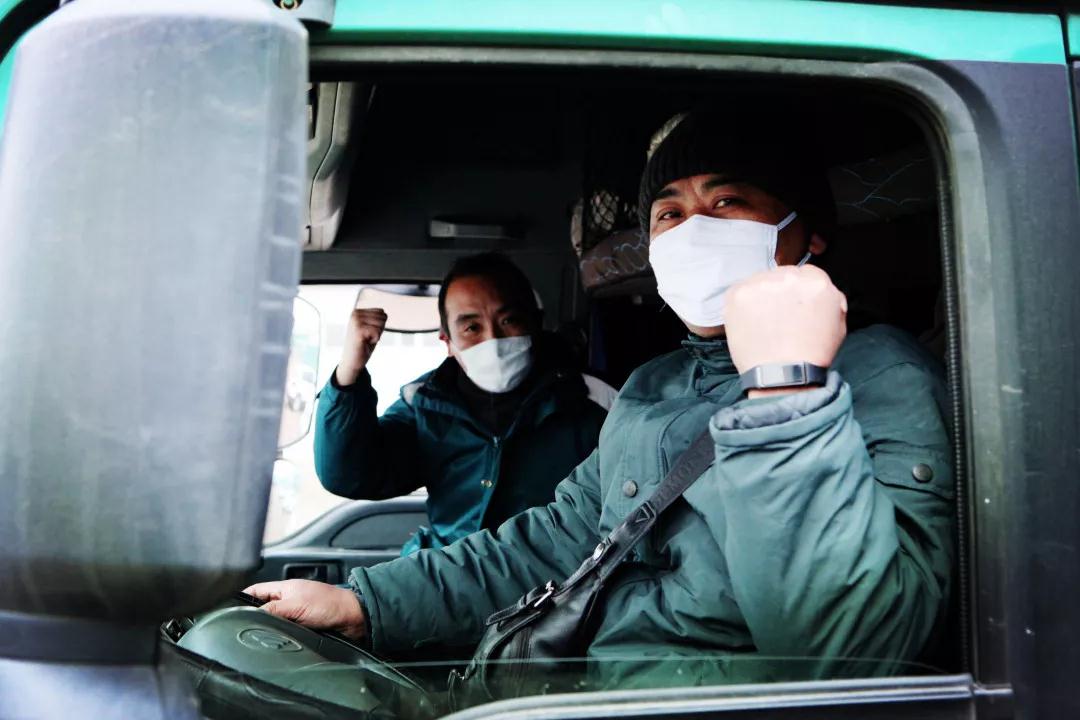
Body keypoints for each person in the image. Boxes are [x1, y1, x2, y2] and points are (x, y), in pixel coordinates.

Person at [248, 111, 955, 687]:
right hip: (592, 684)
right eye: (669, 213)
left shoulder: (882, 374)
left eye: (726, 202)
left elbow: (851, 658)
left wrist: (785, 386)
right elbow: (556, 540)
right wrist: (365, 603)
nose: (694, 229)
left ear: (809, 233)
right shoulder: (653, 385)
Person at [314, 252, 609, 555]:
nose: (492, 339)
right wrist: (349, 372)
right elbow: (349, 476)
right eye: (472, 328)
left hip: (555, 577)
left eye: (509, 320)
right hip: (448, 572)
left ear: (536, 323)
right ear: (448, 342)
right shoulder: (426, 404)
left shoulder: (594, 401)